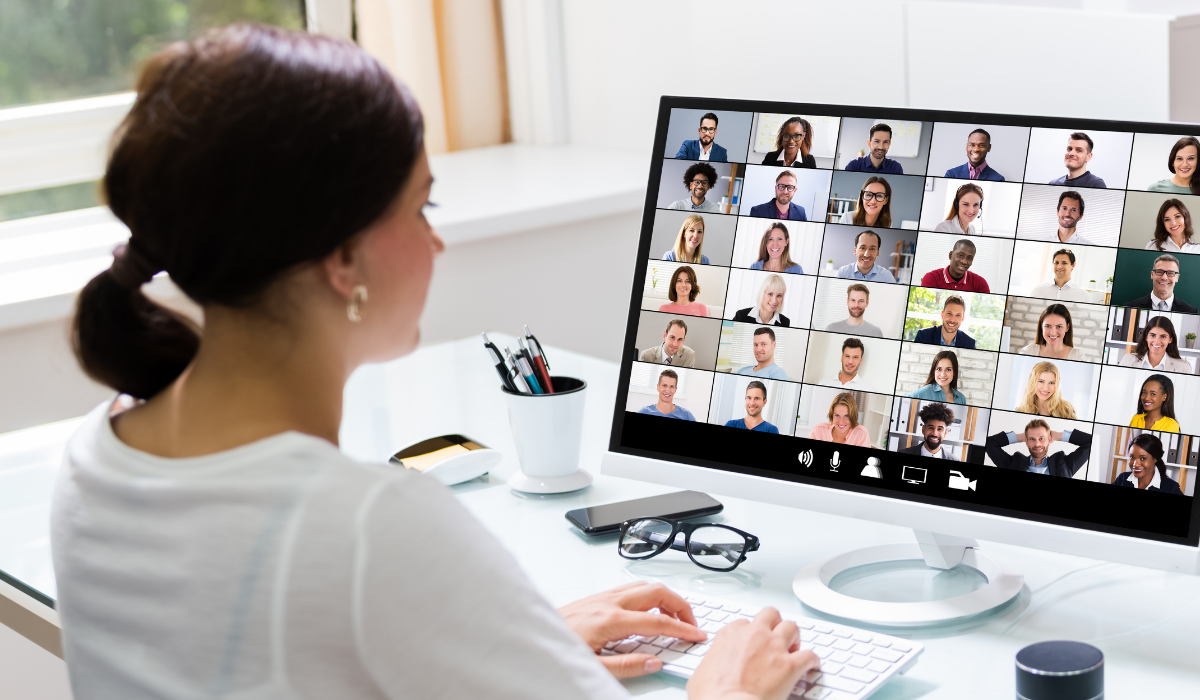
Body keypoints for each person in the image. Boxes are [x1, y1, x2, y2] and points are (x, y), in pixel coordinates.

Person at [52, 25, 820, 700]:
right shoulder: (370, 528)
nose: (435, 242)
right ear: (343, 259)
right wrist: (731, 690)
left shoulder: (97, 454)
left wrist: (491, 638)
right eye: (423, 208)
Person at [985, 419, 1092, 477]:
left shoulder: (1064, 464)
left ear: (1049, 440)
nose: (1037, 444)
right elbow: (989, 443)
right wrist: (1021, 437)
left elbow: (1090, 442)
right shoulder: (1014, 462)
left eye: (1041, 438)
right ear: (1026, 441)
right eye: (1032, 439)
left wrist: (1059, 435)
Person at [1124, 253, 1198, 312]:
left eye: (1170, 273)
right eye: (1159, 272)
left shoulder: (1191, 311)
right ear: (1152, 275)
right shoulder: (1130, 307)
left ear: (1177, 277)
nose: (1164, 277)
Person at [1111, 433, 1184, 493]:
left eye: (1143, 458)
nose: (1135, 464)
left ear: (1155, 458)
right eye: (1132, 457)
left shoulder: (1171, 488)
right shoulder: (1122, 479)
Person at [1119, 315, 1191, 372]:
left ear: (1170, 339)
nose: (1157, 341)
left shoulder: (1183, 367)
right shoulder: (1128, 360)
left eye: (1163, 336)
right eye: (1153, 335)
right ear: (1146, 337)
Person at [920, 239, 990, 292]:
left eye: (969, 258)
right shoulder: (931, 278)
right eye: (960, 255)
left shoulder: (980, 284)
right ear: (951, 255)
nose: (964, 262)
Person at [1018, 304, 1085, 360]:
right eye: (1048, 326)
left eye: (1059, 327)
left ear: (1067, 327)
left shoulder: (1077, 356)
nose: (1052, 333)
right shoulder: (1028, 352)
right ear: (1041, 326)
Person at [807, 392, 871, 446]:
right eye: (837, 415)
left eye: (846, 416)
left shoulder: (861, 433)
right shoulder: (818, 429)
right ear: (832, 415)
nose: (841, 422)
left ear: (853, 416)